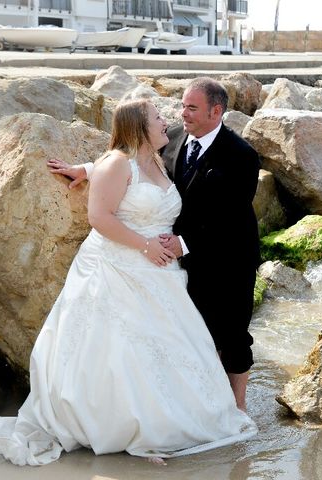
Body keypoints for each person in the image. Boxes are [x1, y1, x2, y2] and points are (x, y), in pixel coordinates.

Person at [0, 99, 257, 466]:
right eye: (159, 118)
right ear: (140, 128)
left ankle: (173, 418)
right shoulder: (122, 160)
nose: (169, 121)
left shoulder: (167, 156)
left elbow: (207, 206)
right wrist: (143, 245)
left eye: (177, 112)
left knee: (169, 344)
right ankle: (125, 425)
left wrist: (91, 170)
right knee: (119, 345)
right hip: (120, 264)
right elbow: (98, 214)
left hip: (168, 268)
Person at [48, 77, 261, 412]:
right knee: (195, 332)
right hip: (176, 256)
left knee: (233, 331)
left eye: (191, 107)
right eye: (182, 106)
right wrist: (89, 169)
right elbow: (132, 159)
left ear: (216, 111)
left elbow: (230, 218)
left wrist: (184, 243)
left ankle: (238, 406)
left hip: (228, 255)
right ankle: (197, 402)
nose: (182, 113)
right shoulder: (173, 136)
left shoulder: (242, 156)